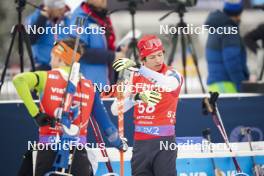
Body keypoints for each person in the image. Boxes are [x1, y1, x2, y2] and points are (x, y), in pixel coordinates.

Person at [13, 38, 127, 176]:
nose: (50, 62)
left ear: (59, 58)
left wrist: (36, 114)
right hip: (78, 155)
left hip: (49, 151)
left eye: (52, 58)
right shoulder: (89, 86)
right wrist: (121, 145)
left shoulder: (46, 76)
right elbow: (108, 129)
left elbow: (19, 80)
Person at [111, 35, 183, 176]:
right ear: (142, 60)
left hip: (165, 142)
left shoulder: (172, 74)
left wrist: (140, 69)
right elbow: (115, 109)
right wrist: (135, 98)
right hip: (141, 142)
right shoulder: (134, 76)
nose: (158, 60)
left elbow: (168, 85)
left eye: (160, 54)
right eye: (152, 57)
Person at [70, 0, 127, 86]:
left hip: (105, 82)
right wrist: (113, 56)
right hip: (88, 85)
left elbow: (106, 47)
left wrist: (118, 51)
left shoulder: (103, 18)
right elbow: (79, 51)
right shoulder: (80, 18)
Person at [205, 0, 249, 93]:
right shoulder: (229, 31)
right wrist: (241, 85)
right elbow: (232, 62)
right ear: (238, 15)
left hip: (215, 86)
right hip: (228, 86)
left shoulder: (216, 28)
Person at [26, 0, 70, 70]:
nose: (62, 11)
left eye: (63, 8)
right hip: (42, 66)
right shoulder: (35, 18)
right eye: (59, 9)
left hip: (63, 66)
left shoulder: (67, 20)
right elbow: (30, 40)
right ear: (49, 8)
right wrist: (42, 18)